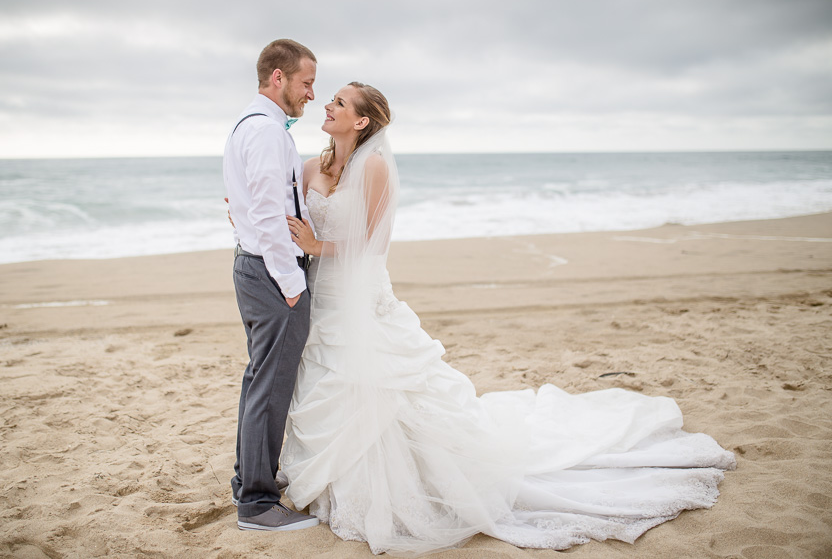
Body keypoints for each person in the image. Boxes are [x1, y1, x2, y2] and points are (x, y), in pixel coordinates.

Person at [279, 82, 737, 555]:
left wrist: (316, 245)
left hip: (364, 296)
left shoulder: (374, 167)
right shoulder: (312, 166)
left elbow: (371, 245)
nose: (327, 105)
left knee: (389, 387)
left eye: (338, 102)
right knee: (329, 381)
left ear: (361, 121)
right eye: (329, 99)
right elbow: (275, 203)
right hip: (325, 299)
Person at [223, 39, 320, 531]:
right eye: (306, 83)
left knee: (259, 379)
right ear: (278, 77)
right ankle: (258, 504)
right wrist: (290, 282)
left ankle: (250, 481)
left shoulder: (254, 125)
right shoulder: (263, 131)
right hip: (269, 272)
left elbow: (250, 203)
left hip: (254, 266)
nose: (310, 94)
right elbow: (266, 213)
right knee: (270, 385)